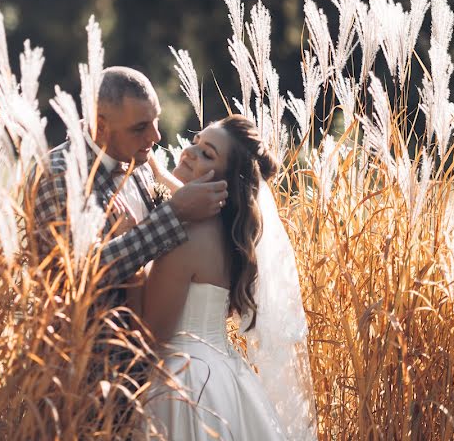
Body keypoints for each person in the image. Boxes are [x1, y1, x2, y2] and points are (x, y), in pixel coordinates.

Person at [27, 66, 230, 415]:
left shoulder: (136, 162)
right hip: (83, 384)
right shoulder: (60, 174)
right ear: (100, 126)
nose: (156, 136)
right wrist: (173, 215)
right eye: (140, 128)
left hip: (143, 379)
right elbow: (80, 274)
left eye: (155, 121)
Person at [133, 115, 317, 441]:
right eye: (195, 143)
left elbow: (151, 336)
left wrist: (130, 264)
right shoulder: (230, 236)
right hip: (221, 377)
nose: (189, 153)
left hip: (183, 386)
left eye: (207, 154)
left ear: (225, 181)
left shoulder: (185, 236)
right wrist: (159, 173)